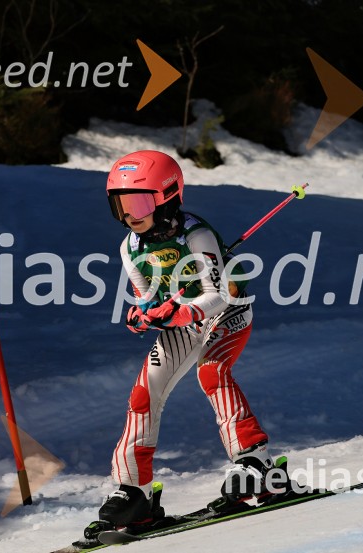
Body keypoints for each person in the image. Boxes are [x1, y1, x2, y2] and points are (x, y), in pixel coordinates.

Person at [97, 150, 275, 528]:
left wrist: (179, 314)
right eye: (120, 206)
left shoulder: (197, 235)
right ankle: (134, 490)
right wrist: (141, 314)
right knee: (144, 393)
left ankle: (255, 462)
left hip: (227, 311)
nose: (129, 216)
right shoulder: (130, 247)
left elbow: (218, 295)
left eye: (138, 204)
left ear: (167, 199)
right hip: (184, 321)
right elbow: (147, 296)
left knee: (211, 371)